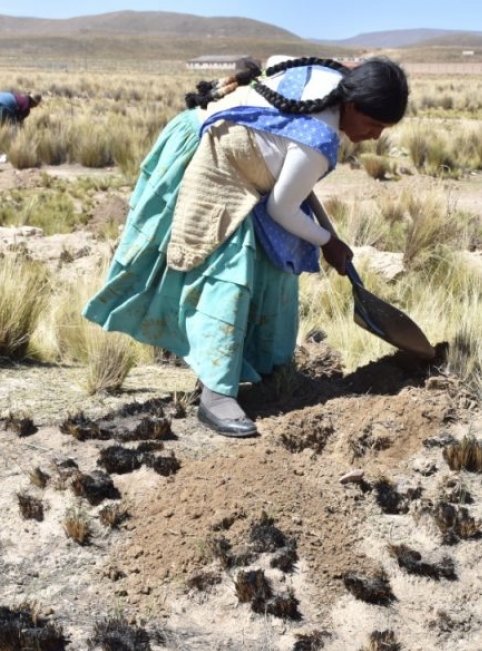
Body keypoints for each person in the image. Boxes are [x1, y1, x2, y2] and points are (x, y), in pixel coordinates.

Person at [82, 56, 409, 438]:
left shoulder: (333, 78)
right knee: (229, 278)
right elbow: (281, 209)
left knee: (277, 268)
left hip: (235, 154)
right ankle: (217, 394)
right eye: (372, 124)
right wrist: (328, 242)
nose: (374, 136)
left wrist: (281, 152)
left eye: (383, 129)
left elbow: (276, 61)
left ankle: (266, 369)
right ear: (351, 104)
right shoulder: (318, 141)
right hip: (214, 157)